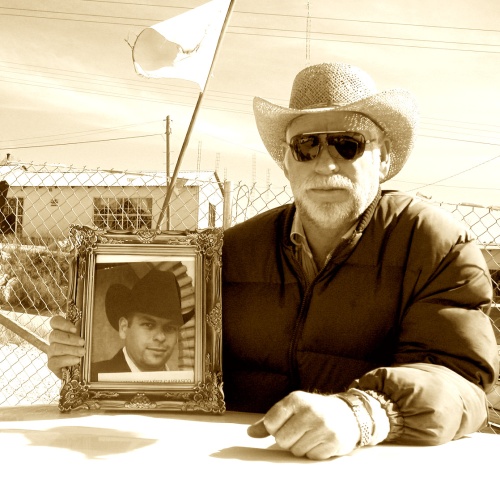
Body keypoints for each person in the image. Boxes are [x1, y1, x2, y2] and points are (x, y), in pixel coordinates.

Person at [48, 62, 499, 460]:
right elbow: (183, 376)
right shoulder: (227, 253)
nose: (325, 164)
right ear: (286, 162)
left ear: (383, 159)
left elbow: (462, 383)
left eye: (347, 144)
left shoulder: (435, 245)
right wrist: (89, 368)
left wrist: (362, 414)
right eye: (306, 146)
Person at [91, 268, 188, 380]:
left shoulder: (187, 384)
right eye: (149, 325)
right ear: (124, 328)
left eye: (169, 328)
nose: (161, 337)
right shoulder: (90, 378)